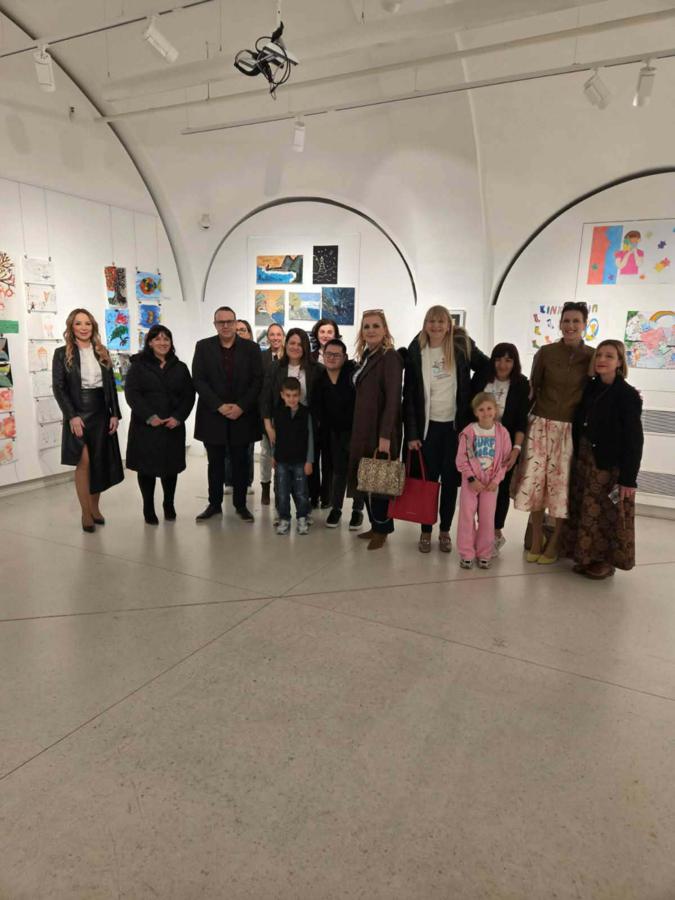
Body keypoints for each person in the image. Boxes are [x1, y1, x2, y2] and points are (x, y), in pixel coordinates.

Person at [403, 305, 490, 554]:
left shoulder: (460, 346)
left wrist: (470, 395)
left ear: (449, 325)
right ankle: (426, 530)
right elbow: (409, 396)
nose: (436, 326)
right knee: (428, 482)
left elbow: (486, 366)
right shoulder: (416, 349)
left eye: (441, 321)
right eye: (431, 321)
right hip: (427, 430)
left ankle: (444, 531)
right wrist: (412, 434)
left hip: (454, 429)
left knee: (450, 482)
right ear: (425, 324)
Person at [513, 301, 594, 564]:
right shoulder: (546, 353)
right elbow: (533, 387)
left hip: (569, 429)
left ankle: (556, 540)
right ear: (560, 323)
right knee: (535, 484)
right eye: (566, 320)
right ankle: (536, 537)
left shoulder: (592, 357)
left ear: (584, 325)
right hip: (540, 425)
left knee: (560, 489)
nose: (570, 326)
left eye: (576, 321)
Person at [564, 340, 643, 579]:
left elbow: (634, 439)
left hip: (609, 464)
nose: (602, 360)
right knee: (587, 509)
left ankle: (605, 561)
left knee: (606, 514)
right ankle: (586, 556)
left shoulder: (627, 395)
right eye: (599, 355)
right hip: (586, 459)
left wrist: (629, 479)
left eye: (609, 356)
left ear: (619, 362)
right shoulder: (591, 387)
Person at [52, 308, 123, 532]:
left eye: (87, 323)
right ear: (71, 327)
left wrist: (114, 413)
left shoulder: (102, 352)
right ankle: (85, 513)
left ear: (93, 327)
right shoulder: (61, 353)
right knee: (84, 462)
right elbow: (59, 388)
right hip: (77, 412)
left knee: (98, 461)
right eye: (78, 323)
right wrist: (71, 416)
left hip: (100, 412)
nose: (83, 328)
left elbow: (111, 386)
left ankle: (94, 508)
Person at [192, 306, 263, 523]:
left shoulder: (251, 348)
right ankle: (214, 504)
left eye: (229, 321)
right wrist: (219, 406)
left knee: (241, 462)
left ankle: (240, 505)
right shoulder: (203, 347)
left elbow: (257, 380)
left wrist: (241, 406)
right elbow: (199, 380)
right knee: (214, 464)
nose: (225, 325)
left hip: (242, 415)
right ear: (215, 324)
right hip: (213, 415)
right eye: (220, 322)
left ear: (235, 322)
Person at [124, 325, 195, 524]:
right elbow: (132, 394)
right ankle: (148, 507)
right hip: (146, 426)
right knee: (146, 469)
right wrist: (149, 416)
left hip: (172, 426)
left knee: (170, 468)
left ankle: (168, 504)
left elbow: (189, 395)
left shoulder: (180, 367)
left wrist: (178, 417)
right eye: (157, 339)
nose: (162, 343)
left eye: (166, 339)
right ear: (149, 342)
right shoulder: (138, 366)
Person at [347, 309, 403, 551]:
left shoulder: (390, 357)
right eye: (366, 326)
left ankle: (383, 530)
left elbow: (393, 399)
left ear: (385, 330)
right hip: (363, 429)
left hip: (380, 431)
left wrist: (385, 435)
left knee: (380, 481)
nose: (370, 330)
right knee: (367, 479)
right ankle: (374, 525)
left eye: (375, 326)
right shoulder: (368, 356)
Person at [471, 343, 530, 552]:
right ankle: (480, 531)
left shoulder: (521, 384)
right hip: (478, 444)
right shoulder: (481, 378)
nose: (502, 365)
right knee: (478, 488)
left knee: (500, 489)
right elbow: (468, 411)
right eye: (498, 359)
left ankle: (496, 532)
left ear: (515, 363)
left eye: (508, 360)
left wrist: (516, 449)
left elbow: (521, 420)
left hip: (505, 446)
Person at [312, 338, 364, 530]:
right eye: (328, 354)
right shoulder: (320, 379)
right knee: (338, 472)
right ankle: (336, 509)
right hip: (333, 434)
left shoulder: (353, 375)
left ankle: (357, 510)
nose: (331, 358)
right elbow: (317, 408)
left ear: (344, 357)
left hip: (356, 432)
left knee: (358, 471)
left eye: (336, 355)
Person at [455, 393, 512, 569]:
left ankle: (484, 553)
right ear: (475, 412)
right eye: (481, 409)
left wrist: (496, 480)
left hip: (490, 484)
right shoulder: (468, 432)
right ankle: (467, 553)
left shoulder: (502, 433)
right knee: (466, 515)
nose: (486, 413)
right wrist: (471, 478)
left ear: (495, 410)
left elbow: (505, 461)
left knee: (487, 518)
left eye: (489, 408)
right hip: (471, 481)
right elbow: (461, 459)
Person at [272, 376, 314, 535]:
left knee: (301, 492)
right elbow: (274, 438)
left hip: (300, 461)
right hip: (281, 460)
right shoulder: (278, 413)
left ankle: (302, 517)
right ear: (282, 395)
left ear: (300, 394)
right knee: (282, 492)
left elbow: (310, 438)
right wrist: (273, 455)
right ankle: (284, 519)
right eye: (288, 395)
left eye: (295, 395)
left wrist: (309, 461)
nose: (292, 399)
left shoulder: (306, 413)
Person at [310, 318, 341, 506]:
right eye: (322, 332)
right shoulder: (310, 357)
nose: (326, 335)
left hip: (333, 419)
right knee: (312, 459)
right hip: (313, 418)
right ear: (316, 334)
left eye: (330, 332)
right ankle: (313, 496)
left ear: (335, 335)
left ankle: (327, 497)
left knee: (329, 461)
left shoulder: (341, 356)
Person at [224, 318, 255, 494]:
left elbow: (256, 382)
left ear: (249, 334)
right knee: (228, 448)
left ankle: (247, 481)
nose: (240, 332)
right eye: (237, 330)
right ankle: (229, 481)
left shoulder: (253, 353)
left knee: (247, 449)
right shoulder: (227, 354)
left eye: (243, 330)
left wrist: (243, 405)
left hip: (248, 409)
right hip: (227, 409)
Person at [259, 323, 285, 505]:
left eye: (278, 334)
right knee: (266, 452)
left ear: (283, 336)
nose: (275, 338)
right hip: (267, 411)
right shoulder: (261, 358)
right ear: (267, 337)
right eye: (272, 334)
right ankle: (265, 487)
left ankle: (279, 488)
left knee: (282, 454)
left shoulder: (290, 357)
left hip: (284, 412)